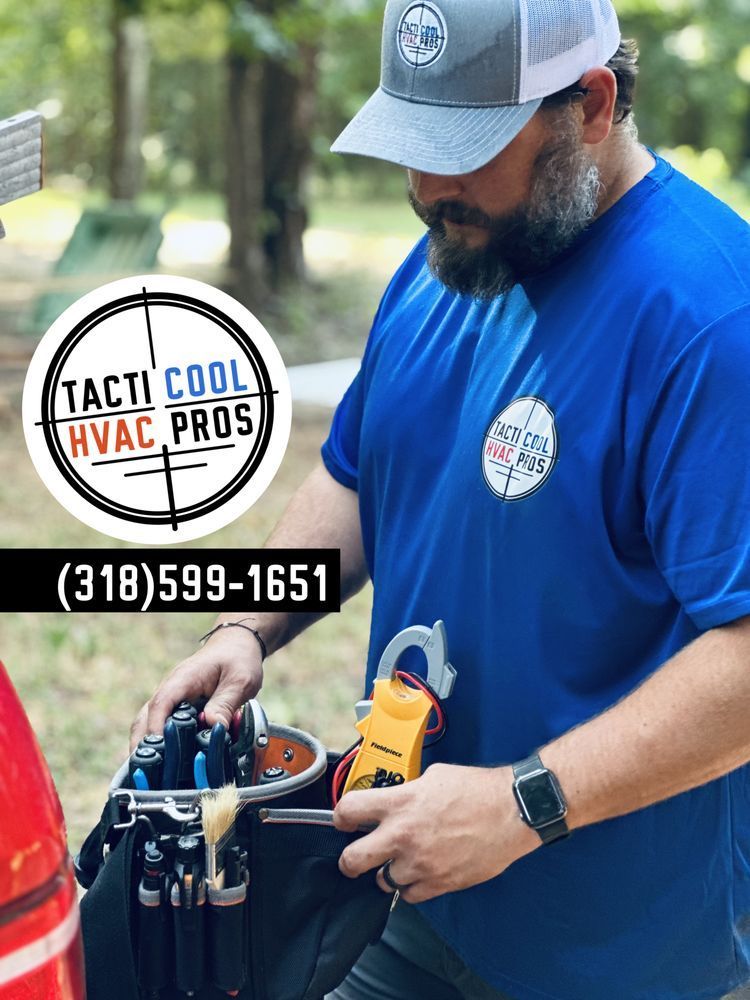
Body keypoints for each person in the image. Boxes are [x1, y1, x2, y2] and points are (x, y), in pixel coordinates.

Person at [131, 0, 750, 997]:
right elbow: (355, 473)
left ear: (592, 105)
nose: (426, 189)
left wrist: (519, 805)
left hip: (622, 946)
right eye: (413, 146)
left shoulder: (712, 317)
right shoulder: (449, 265)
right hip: (409, 890)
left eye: (465, 150)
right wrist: (247, 624)